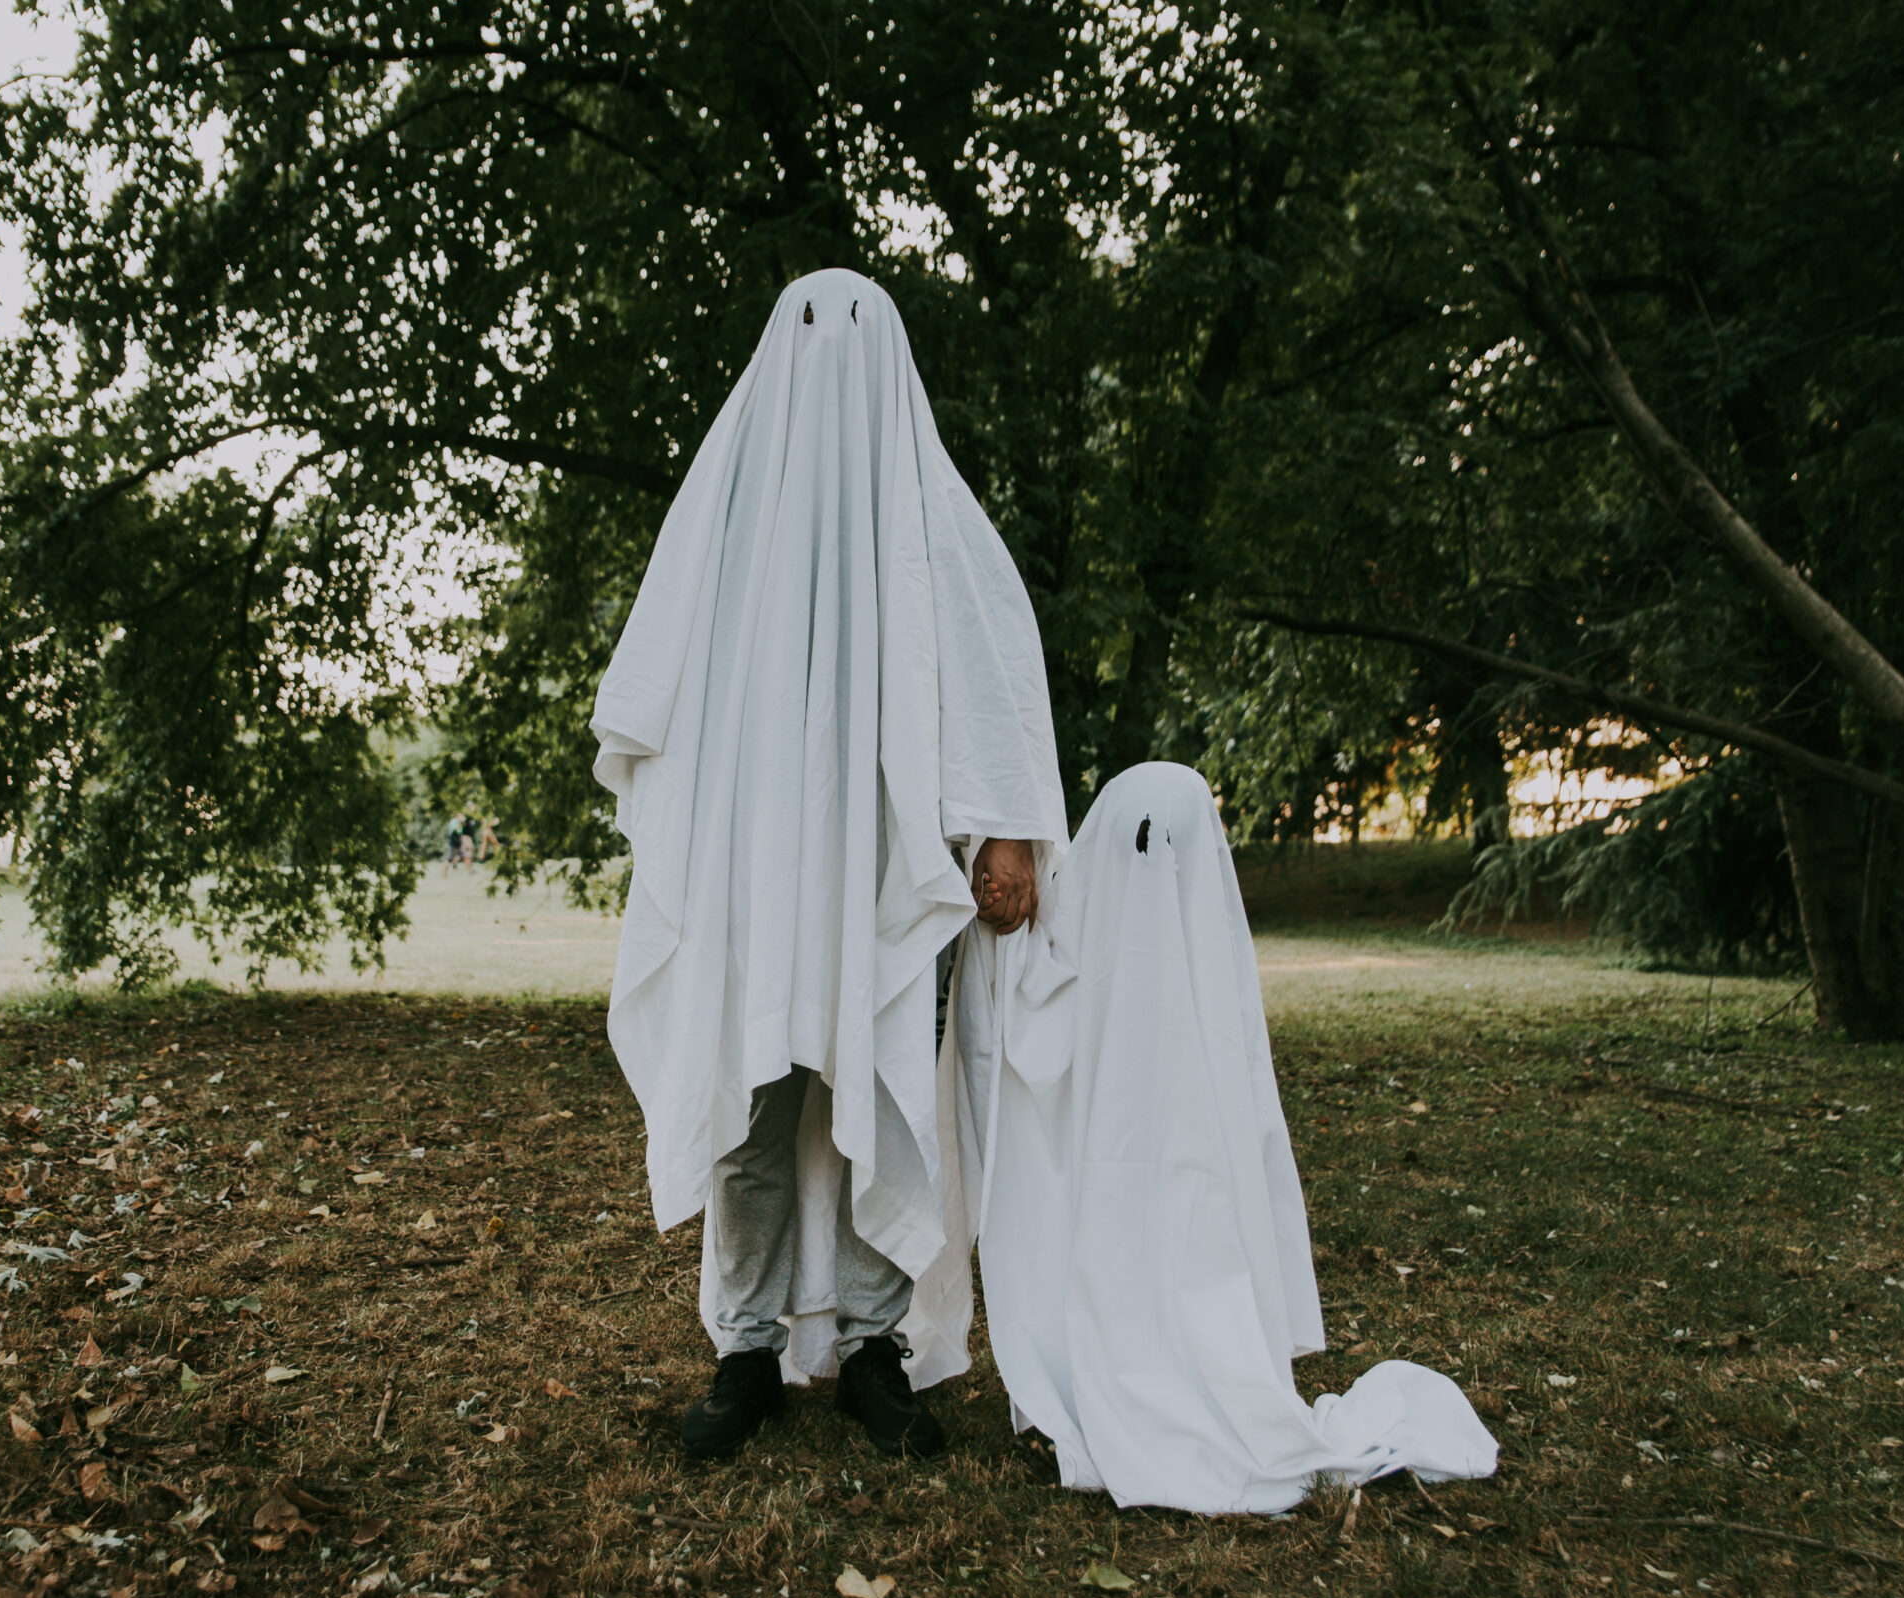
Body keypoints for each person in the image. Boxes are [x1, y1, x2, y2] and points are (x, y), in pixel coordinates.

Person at [592, 268, 1064, 1460]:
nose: (832, 353)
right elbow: (655, 680)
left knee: (881, 1083)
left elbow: (995, 670)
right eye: (808, 327)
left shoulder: (932, 516)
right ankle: (743, 1348)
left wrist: (1006, 829)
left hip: (881, 862)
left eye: (858, 331)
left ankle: (873, 1349)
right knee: (754, 1093)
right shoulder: (724, 508)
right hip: (757, 856)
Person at [954, 763, 1497, 1513]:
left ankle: (1187, 1363)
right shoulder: (1067, 955)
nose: (1155, 865)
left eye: (1171, 846)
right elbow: (1024, 1024)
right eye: (1143, 844)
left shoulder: (1207, 987)